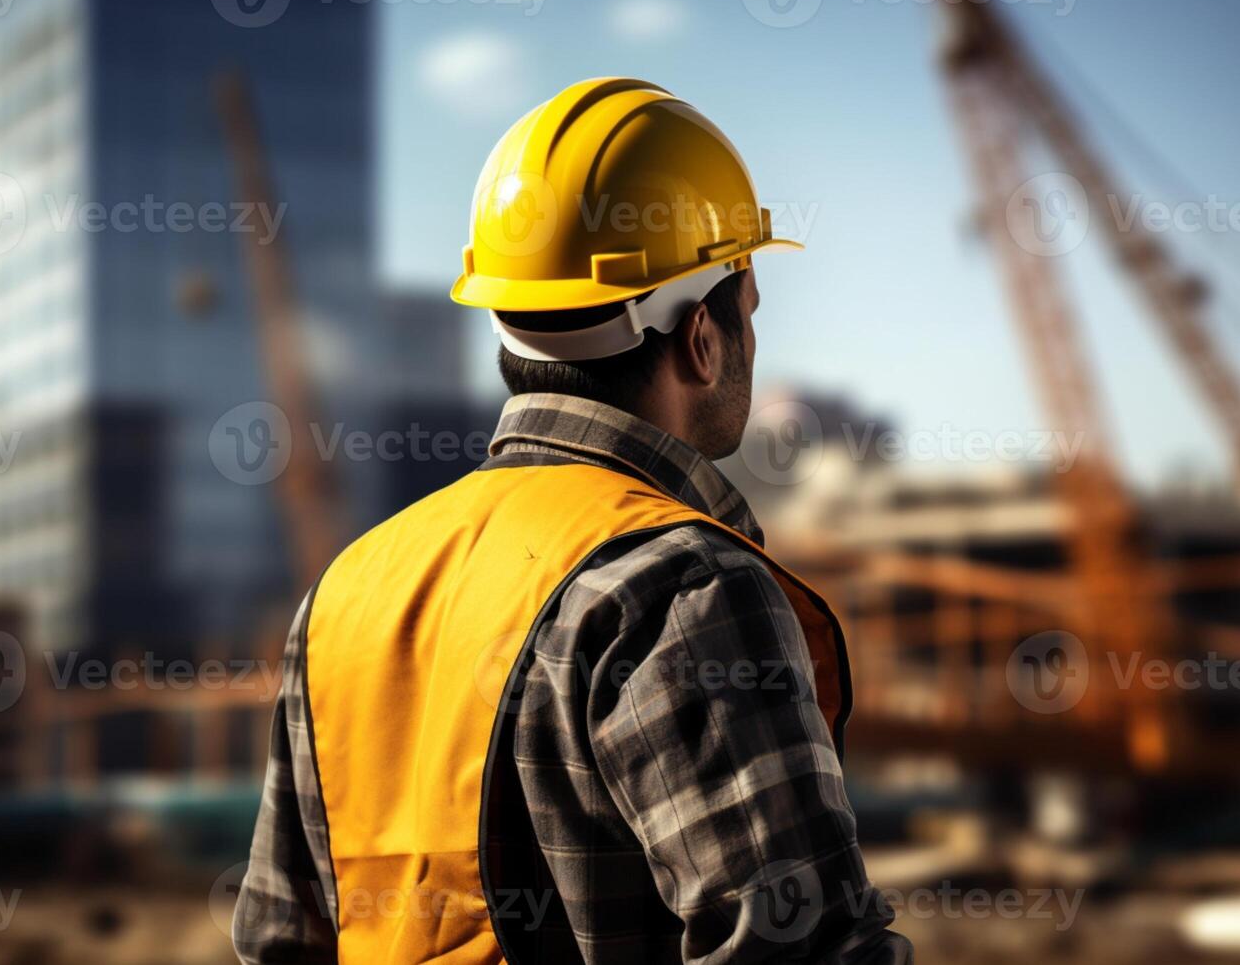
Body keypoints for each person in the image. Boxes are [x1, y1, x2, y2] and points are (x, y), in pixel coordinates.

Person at [235, 77, 912, 964]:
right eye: (747, 304)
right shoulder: (679, 587)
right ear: (701, 335)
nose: (751, 332)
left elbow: (280, 944)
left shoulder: (344, 596)